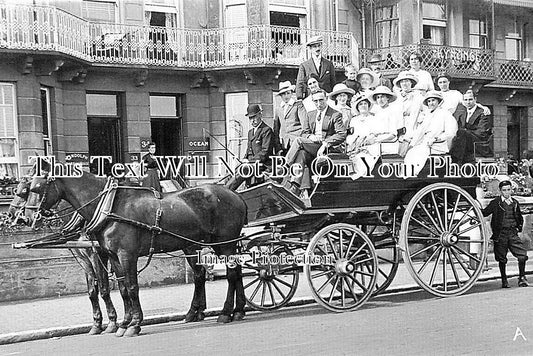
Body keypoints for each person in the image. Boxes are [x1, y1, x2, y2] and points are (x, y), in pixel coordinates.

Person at [284, 89, 345, 195]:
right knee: (302, 153)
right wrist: (310, 136)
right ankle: (295, 186)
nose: (319, 103)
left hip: (327, 148)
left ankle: (285, 166)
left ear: (326, 99)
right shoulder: (311, 114)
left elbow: (341, 134)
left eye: (321, 100)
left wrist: (326, 143)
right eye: (315, 101)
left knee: (298, 141)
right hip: (313, 146)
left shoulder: (335, 114)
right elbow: (304, 133)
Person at [482, 180, 528, 288]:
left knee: (522, 256)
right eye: (504, 190)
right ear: (500, 191)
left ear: (511, 190)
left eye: (508, 190)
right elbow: (485, 212)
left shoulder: (515, 202)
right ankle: (504, 280)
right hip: (500, 234)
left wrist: (519, 228)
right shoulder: (496, 202)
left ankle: (522, 277)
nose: (507, 192)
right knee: (501, 258)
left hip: (512, 233)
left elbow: (519, 217)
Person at [403, 90, 458, 176]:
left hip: (438, 145)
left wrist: (437, 139)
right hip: (426, 144)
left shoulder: (445, 114)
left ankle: (414, 174)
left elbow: (451, 132)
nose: (431, 103)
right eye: (429, 101)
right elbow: (420, 132)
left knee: (417, 154)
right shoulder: (428, 115)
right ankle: (410, 175)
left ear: (438, 101)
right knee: (411, 152)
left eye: (433, 100)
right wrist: (412, 144)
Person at [226, 104, 274, 191]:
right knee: (233, 171)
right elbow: (248, 150)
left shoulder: (267, 130)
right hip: (251, 163)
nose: (252, 120)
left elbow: (265, 152)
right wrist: (244, 160)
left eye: (254, 117)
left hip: (262, 164)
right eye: (250, 118)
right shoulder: (250, 132)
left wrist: (249, 161)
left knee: (243, 170)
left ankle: (225, 192)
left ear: (260, 115)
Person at [347, 94, 395, 179]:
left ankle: (360, 176)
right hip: (357, 145)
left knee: (364, 158)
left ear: (368, 106)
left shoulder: (374, 118)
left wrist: (370, 139)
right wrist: (354, 142)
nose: (363, 106)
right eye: (360, 104)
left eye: (365, 104)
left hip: (371, 144)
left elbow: (378, 133)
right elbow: (351, 135)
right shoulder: (354, 120)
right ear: (357, 107)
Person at [449, 90, 492, 164]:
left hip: (478, 142)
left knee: (462, 133)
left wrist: (466, 133)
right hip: (464, 142)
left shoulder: (483, 112)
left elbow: (482, 133)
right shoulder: (462, 114)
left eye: (470, 99)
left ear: (475, 100)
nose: (468, 102)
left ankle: (456, 161)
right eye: (465, 100)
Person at [295, 36, 336, 100]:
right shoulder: (304, 66)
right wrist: (299, 98)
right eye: (314, 47)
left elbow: (333, 82)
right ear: (310, 49)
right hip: (311, 98)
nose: (317, 48)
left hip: (326, 98)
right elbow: (300, 83)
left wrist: (333, 98)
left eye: (319, 46)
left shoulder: (329, 64)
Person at [393, 71, 424, 152]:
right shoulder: (396, 97)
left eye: (407, 81)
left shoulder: (418, 96)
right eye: (402, 81)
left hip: (413, 124)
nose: (404, 84)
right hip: (399, 125)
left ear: (411, 83)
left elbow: (424, 111)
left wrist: (420, 118)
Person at [273, 81, 305, 155]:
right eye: (283, 94)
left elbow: (304, 125)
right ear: (281, 95)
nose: (286, 96)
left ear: (291, 93)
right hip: (285, 144)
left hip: (296, 141)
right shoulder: (278, 109)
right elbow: (276, 130)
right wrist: (278, 148)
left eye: (288, 93)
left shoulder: (298, 105)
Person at [370, 86, 399, 155]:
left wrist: (378, 141)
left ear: (388, 98)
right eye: (378, 97)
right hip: (377, 142)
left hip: (389, 143)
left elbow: (393, 135)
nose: (380, 100)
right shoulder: (376, 113)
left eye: (382, 97)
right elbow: (374, 131)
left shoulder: (392, 112)